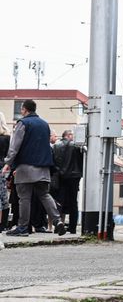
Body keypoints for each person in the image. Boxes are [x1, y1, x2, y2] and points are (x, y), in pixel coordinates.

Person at [2, 100, 66, 237]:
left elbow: (15, 145)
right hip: (43, 169)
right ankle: (58, 221)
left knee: (24, 198)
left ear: (24, 109)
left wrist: (8, 162)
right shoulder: (45, 124)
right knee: (44, 195)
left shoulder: (22, 123)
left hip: (25, 167)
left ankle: (23, 227)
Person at [53, 129, 83, 235]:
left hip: (61, 177)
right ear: (68, 135)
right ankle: (73, 227)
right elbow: (81, 161)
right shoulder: (76, 147)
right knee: (73, 202)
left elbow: (54, 161)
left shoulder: (56, 146)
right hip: (74, 177)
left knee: (59, 202)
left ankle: (58, 225)